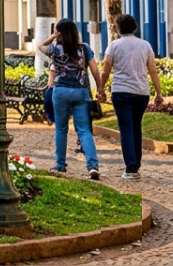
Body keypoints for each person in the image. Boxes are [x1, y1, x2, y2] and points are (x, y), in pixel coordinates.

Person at [99, 13, 164, 180]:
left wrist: (100, 88)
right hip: (141, 92)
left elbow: (106, 71)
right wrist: (158, 93)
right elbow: (153, 70)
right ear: (134, 27)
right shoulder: (145, 45)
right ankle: (136, 163)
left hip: (121, 91)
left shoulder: (114, 46)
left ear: (118, 28)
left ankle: (131, 167)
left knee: (126, 129)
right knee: (136, 127)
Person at [39, 19, 103, 179]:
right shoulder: (84, 48)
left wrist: (53, 36)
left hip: (60, 91)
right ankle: (92, 165)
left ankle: (60, 165)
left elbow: (40, 47)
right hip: (80, 92)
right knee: (84, 130)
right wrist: (100, 88)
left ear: (59, 33)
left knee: (61, 129)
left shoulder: (55, 49)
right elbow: (95, 71)